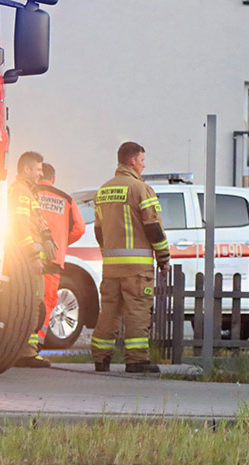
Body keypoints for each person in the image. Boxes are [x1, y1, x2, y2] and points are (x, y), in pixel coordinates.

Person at [91, 142, 170, 373]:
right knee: (137, 311)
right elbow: (153, 227)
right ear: (132, 161)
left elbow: (99, 231)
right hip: (137, 268)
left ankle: (101, 358)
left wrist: (108, 252)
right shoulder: (140, 189)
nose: (144, 165)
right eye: (142, 160)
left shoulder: (103, 191)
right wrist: (163, 258)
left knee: (109, 311)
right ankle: (136, 360)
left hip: (111, 267)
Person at [8, 152, 57, 368]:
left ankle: (25, 351)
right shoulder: (21, 192)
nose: (40, 173)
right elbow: (20, 226)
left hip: (28, 260)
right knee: (32, 306)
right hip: (26, 262)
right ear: (26, 169)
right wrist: (33, 256)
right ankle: (26, 353)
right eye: (38, 169)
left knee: (34, 306)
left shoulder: (28, 191)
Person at [35, 163, 86, 346]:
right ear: (53, 179)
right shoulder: (65, 199)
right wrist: (62, 243)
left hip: (27, 257)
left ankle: (22, 344)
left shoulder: (28, 194)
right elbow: (80, 229)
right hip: (52, 259)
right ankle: (36, 345)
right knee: (47, 301)